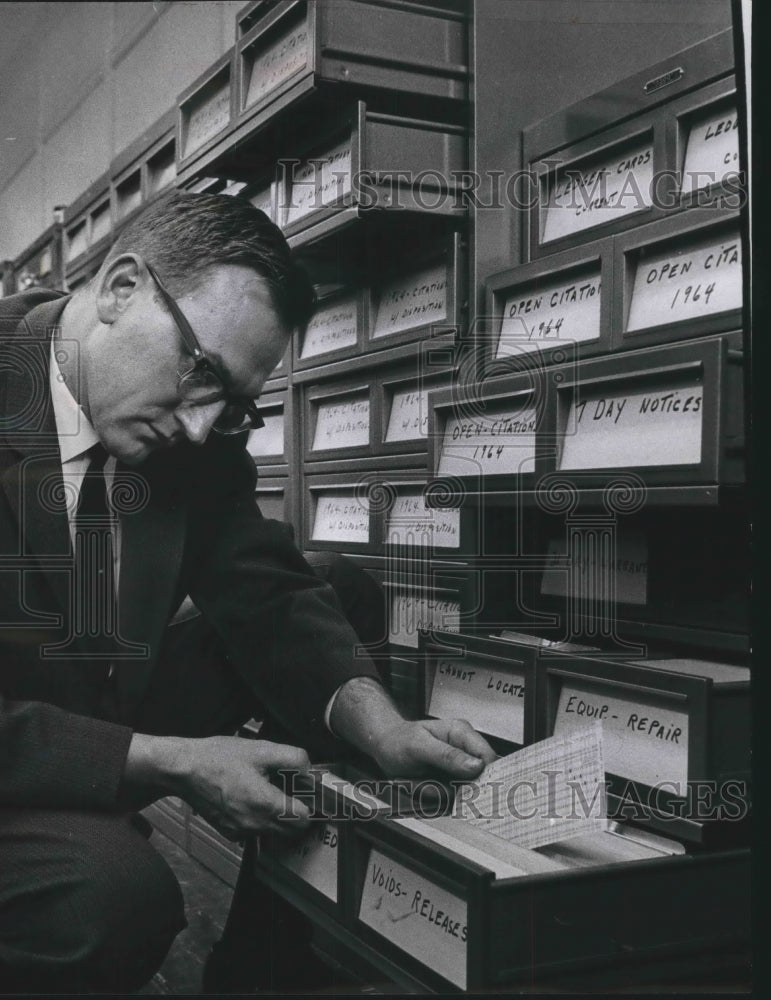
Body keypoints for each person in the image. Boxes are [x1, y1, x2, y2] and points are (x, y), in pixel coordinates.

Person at [0, 191, 495, 993]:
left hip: (98, 687)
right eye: (201, 375)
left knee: (337, 591)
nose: (200, 428)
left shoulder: (187, 433)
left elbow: (264, 588)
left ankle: (266, 970)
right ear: (123, 289)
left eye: (230, 405)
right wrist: (166, 761)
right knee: (112, 895)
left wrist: (384, 732)